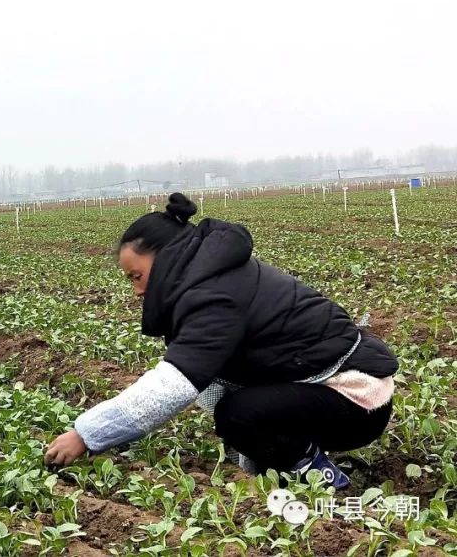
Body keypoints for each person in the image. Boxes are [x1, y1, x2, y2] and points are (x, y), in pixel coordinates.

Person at [44, 193, 397, 489]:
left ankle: (323, 477)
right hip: (333, 389)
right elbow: (206, 377)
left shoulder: (214, 296)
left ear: (166, 257)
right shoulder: (210, 278)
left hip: (356, 398)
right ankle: (291, 460)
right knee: (231, 407)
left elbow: (173, 385)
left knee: (238, 416)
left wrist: (87, 434)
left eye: (137, 276)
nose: (136, 290)